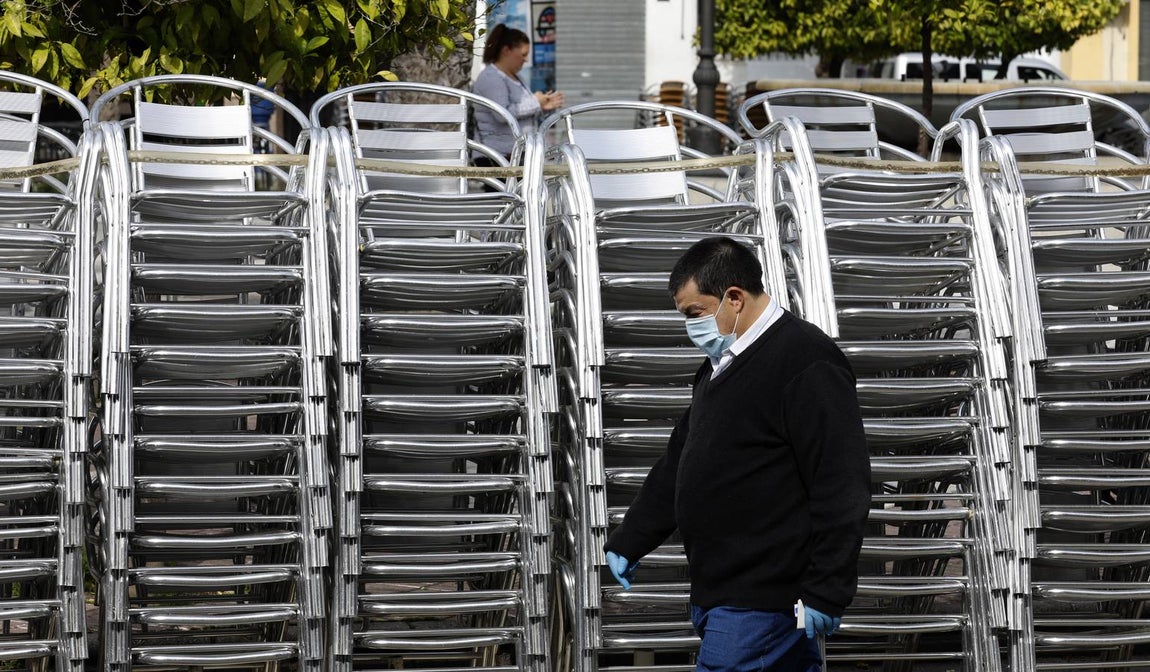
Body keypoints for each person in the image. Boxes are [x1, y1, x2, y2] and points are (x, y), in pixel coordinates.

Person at [603, 237, 871, 672]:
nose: (691, 327)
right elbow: (680, 463)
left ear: (734, 298)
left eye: (695, 313)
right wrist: (632, 538)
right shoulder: (719, 367)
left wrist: (828, 585)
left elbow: (841, 481)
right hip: (720, 591)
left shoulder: (805, 361)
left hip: (762, 599)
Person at [471, 23, 563, 163]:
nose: (526, 60)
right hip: (498, 157)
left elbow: (522, 113)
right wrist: (536, 102)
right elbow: (502, 114)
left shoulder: (516, 77)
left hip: (518, 154)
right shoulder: (492, 78)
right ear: (506, 50)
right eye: (523, 54)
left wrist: (542, 106)